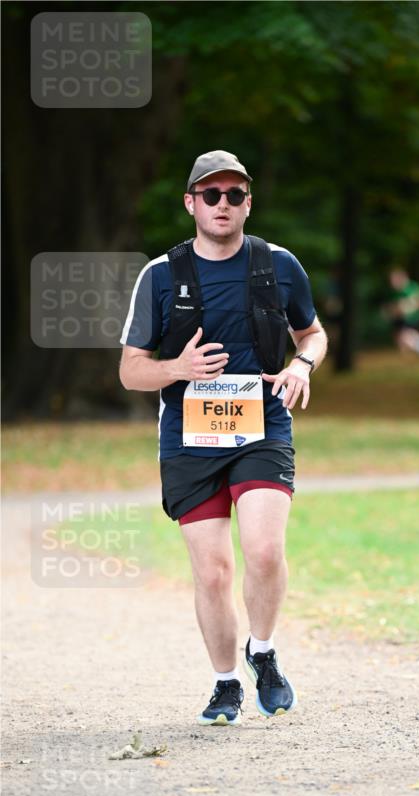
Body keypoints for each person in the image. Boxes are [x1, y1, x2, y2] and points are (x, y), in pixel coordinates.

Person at [119, 150, 328, 725]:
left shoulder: (279, 264)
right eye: (211, 195)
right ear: (191, 203)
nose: (223, 204)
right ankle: (225, 683)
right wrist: (176, 369)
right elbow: (130, 369)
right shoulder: (160, 275)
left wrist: (302, 366)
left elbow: (312, 333)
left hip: (262, 427)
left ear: (248, 203)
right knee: (212, 572)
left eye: (235, 195)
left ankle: (262, 650)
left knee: (264, 551)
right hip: (189, 438)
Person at [384, 268, 419, 355]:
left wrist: (408, 306)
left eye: (395, 279)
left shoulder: (411, 287)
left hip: (411, 318)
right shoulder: (396, 291)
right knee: (400, 338)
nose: (393, 282)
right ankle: (410, 357)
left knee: (406, 337)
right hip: (399, 318)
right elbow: (392, 306)